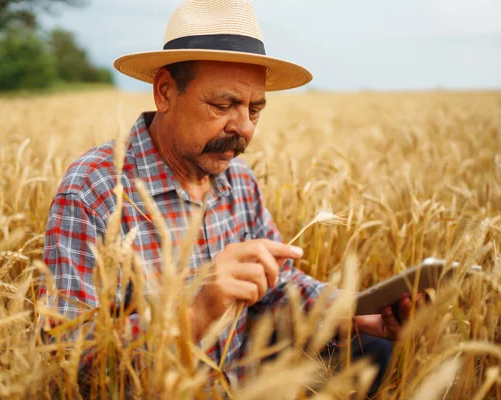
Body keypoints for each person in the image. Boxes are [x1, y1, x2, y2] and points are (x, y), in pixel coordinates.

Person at [40, 0, 419, 397]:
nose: (245, 129)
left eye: (255, 109)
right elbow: (67, 355)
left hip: (239, 384)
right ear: (165, 92)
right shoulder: (92, 192)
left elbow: (278, 284)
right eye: (224, 104)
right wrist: (196, 312)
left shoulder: (238, 178)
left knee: (372, 351)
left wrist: (356, 315)